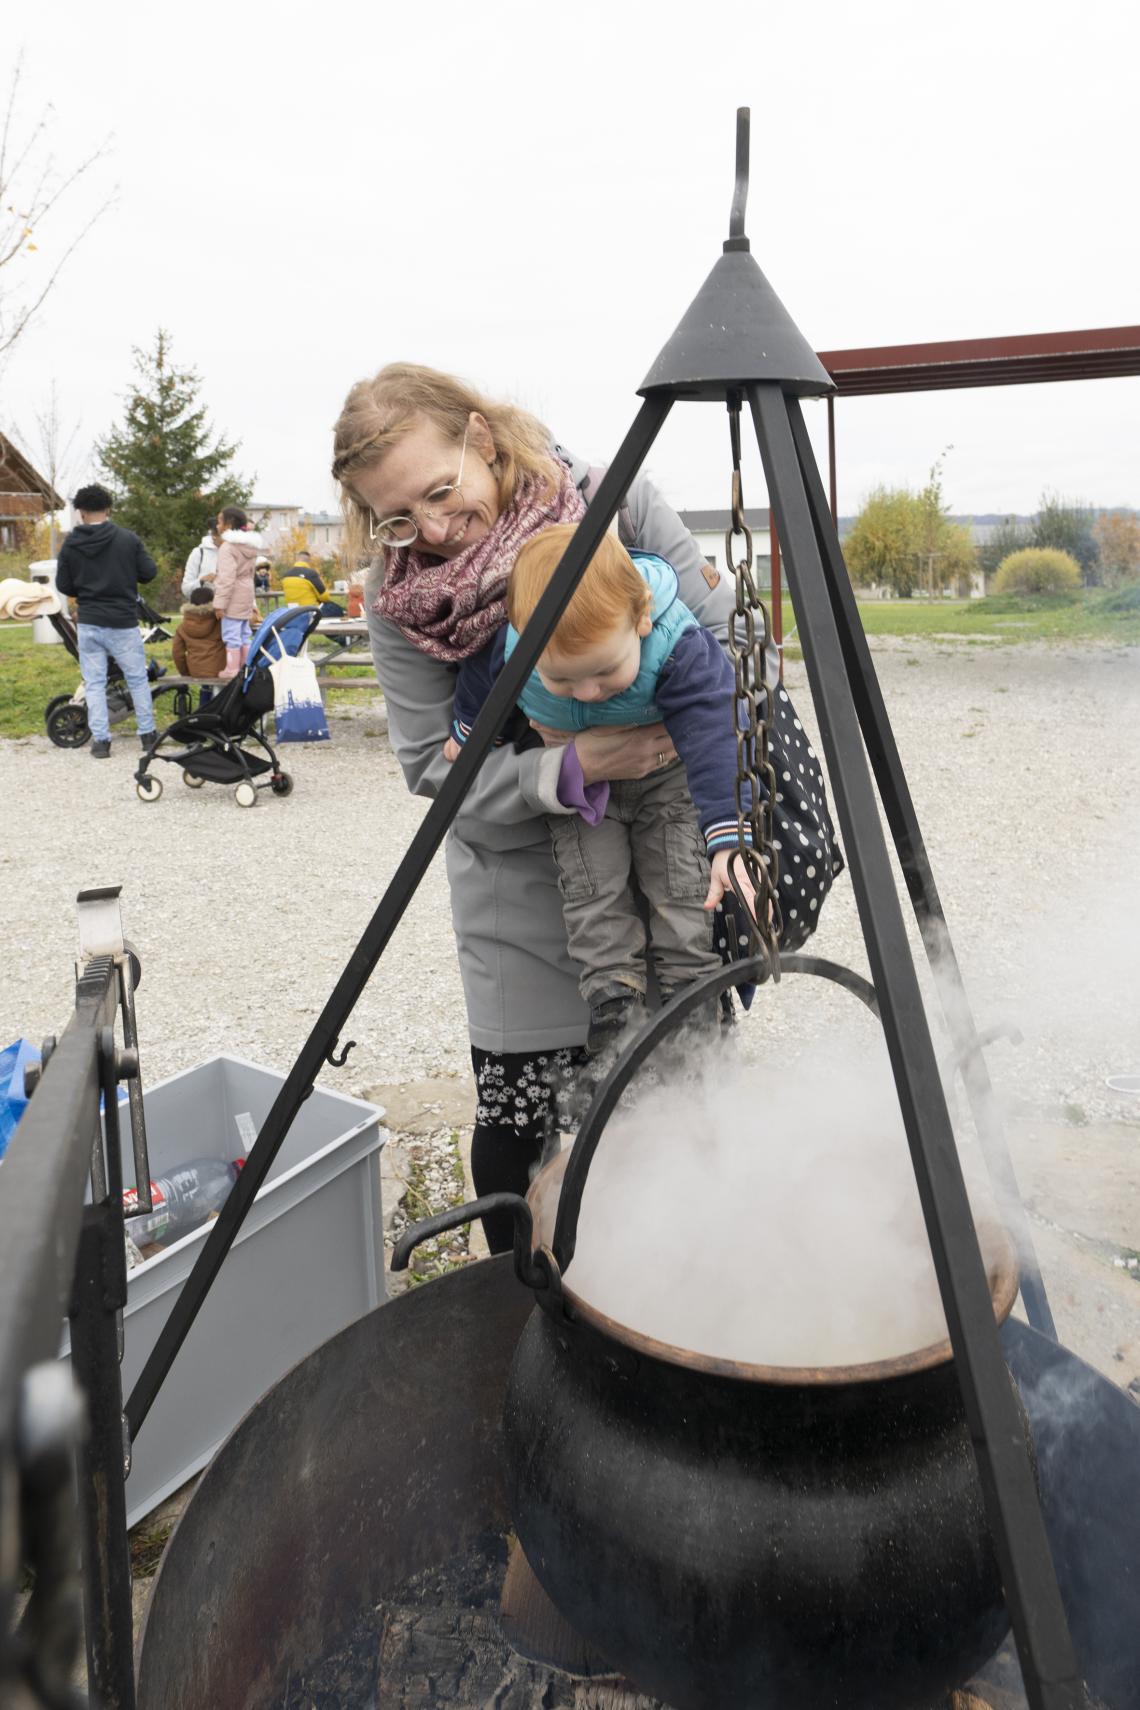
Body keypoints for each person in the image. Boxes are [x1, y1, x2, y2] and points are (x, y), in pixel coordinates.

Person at [331, 363, 840, 1253]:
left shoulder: (616, 507)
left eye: (444, 493)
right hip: (523, 897)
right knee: (526, 1141)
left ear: (482, 441)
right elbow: (432, 767)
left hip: (675, 856)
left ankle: (690, 1298)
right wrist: (574, 765)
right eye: (400, 518)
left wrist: (669, 744)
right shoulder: (399, 600)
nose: (436, 533)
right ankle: (526, 1318)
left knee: (687, 1106)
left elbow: (721, 652)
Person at [448, 525, 757, 1054]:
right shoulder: (513, 646)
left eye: (603, 671)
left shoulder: (677, 646)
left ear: (639, 620)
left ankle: (692, 994)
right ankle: (613, 996)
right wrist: (471, 734)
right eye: (563, 681)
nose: (587, 693)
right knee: (591, 887)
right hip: (584, 787)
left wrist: (727, 835)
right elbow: (484, 686)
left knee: (683, 885)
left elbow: (715, 735)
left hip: (668, 782)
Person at [54, 482, 159, 759]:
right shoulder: (127, 539)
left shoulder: (71, 545)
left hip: (89, 621)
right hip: (123, 620)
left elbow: (64, 584)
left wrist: (87, 589)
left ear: (80, 512)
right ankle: (148, 736)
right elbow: (149, 572)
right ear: (109, 508)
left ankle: (101, 741)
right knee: (137, 679)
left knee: (95, 682)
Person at [212, 506, 263, 678]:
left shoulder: (228, 547)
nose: (217, 525)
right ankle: (245, 667)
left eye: (220, 521)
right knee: (244, 633)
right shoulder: (249, 546)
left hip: (233, 597)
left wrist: (219, 604)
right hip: (246, 592)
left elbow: (226, 579)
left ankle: (231, 669)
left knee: (231, 634)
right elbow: (250, 575)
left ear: (228, 524)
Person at [172, 585, 226, 698]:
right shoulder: (220, 622)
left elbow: (177, 653)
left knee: (205, 687)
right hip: (220, 670)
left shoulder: (182, 627)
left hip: (195, 671)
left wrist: (185, 673)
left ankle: (203, 710)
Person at [281, 550, 344, 618]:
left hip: (292, 612)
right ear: (308, 561)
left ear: (297, 560)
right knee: (338, 610)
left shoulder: (285, 576)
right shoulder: (310, 574)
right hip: (310, 611)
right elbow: (325, 597)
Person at [182, 523, 222, 598]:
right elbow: (186, 589)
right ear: (214, 535)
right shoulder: (198, 553)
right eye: (224, 534)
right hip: (203, 606)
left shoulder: (235, 553)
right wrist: (201, 581)